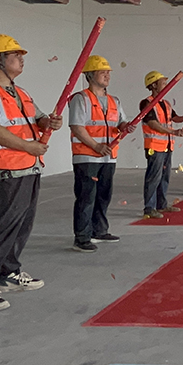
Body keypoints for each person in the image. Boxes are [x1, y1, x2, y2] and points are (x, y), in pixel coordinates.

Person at [0, 34, 63, 311]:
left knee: (21, 225)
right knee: (0, 227)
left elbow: (37, 118)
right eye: (15, 54)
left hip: (28, 167)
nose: (21, 59)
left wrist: (49, 122)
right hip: (2, 170)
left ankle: (8, 273)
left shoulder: (21, 93)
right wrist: (29, 147)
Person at [69, 55, 133, 253]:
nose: (107, 75)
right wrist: (96, 146)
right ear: (90, 75)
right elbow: (77, 127)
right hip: (87, 156)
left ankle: (99, 230)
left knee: (104, 195)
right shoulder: (81, 99)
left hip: (108, 156)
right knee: (86, 197)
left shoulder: (114, 101)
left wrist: (125, 126)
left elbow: (120, 122)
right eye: (102, 72)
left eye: (108, 72)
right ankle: (82, 237)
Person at [141, 71, 183, 219]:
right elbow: (153, 124)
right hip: (154, 146)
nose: (165, 85)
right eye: (162, 82)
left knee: (164, 177)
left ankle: (161, 205)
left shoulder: (166, 104)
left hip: (167, 146)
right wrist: (174, 132)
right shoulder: (147, 103)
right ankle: (149, 208)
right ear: (153, 85)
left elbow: (174, 118)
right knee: (154, 177)